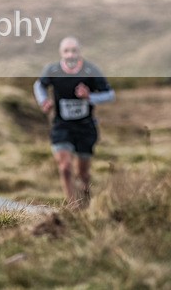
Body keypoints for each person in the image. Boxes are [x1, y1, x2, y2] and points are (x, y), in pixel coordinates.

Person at [34, 37, 115, 208]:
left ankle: (86, 203)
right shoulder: (53, 70)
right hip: (62, 126)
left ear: (79, 52)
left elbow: (110, 95)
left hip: (86, 127)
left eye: (74, 51)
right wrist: (44, 101)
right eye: (66, 51)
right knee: (65, 167)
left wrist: (90, 97)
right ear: (61, 53)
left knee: (83, 174)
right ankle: (73, 207)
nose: (70, 55)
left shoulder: (91, 70)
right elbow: (39, 85)